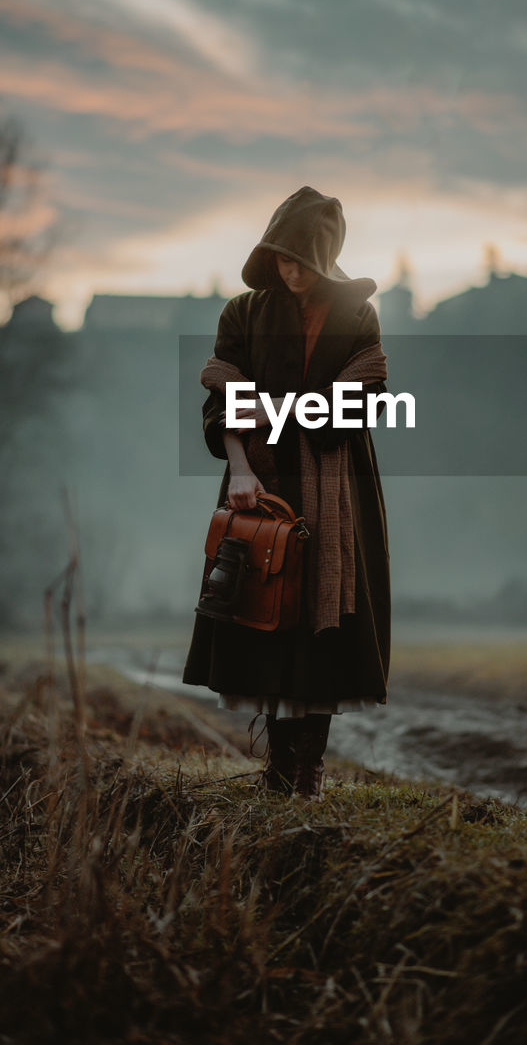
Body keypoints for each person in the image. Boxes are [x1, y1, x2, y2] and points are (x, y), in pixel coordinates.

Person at [182, 186, 391, 798]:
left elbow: (362, 393)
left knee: (324, 614)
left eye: (299, 258)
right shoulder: (242, 314)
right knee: (265, 607)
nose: (289, 269)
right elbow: (223, 394)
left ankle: (309, 769)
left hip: (335, 483)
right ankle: (278, 766)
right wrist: (241, 467)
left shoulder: (358, 315)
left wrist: (284, 408)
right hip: (262, 479)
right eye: (280, 257)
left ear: (323, 256)